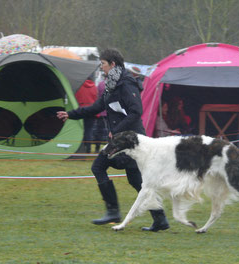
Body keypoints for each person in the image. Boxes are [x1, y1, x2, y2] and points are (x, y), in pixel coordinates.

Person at [57, 48, 169, 231]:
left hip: (130, 140)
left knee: (98, 166)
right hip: (123, 138)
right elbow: (96, 107)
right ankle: (160, 220)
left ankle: (113, 211)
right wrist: (70, 114)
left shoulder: (126, 84)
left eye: (103, 64)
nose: (101, 68)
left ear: (113, 64)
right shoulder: (112, 84)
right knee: (136, 181)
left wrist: (116, 131)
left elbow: (136, 112)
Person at [74, 77, 98, 153]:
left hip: (81, 110)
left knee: (80, 130)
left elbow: (76, 98)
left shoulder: (79, 86)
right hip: (91, 111)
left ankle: (80, 148)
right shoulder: (94, 86)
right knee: (89, 131)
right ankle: (88, 148)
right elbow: (96, 99)